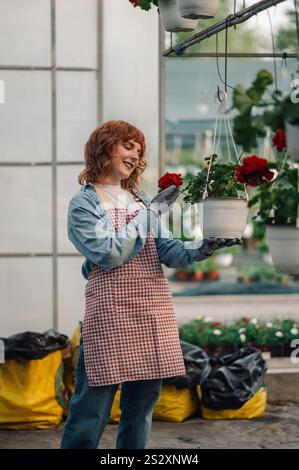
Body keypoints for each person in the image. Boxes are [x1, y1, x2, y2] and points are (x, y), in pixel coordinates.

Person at [60, 120, 240, 449]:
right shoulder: (83, 205)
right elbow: (109, 253)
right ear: (104, 148)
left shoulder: (140, 200)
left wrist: (203, 247)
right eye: (128, 146)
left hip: (151, 313)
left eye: (139, 150)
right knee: (91, 410)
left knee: (141, 409)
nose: (135, 155)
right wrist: (154, 210)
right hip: (110, 316)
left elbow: (169, 252)